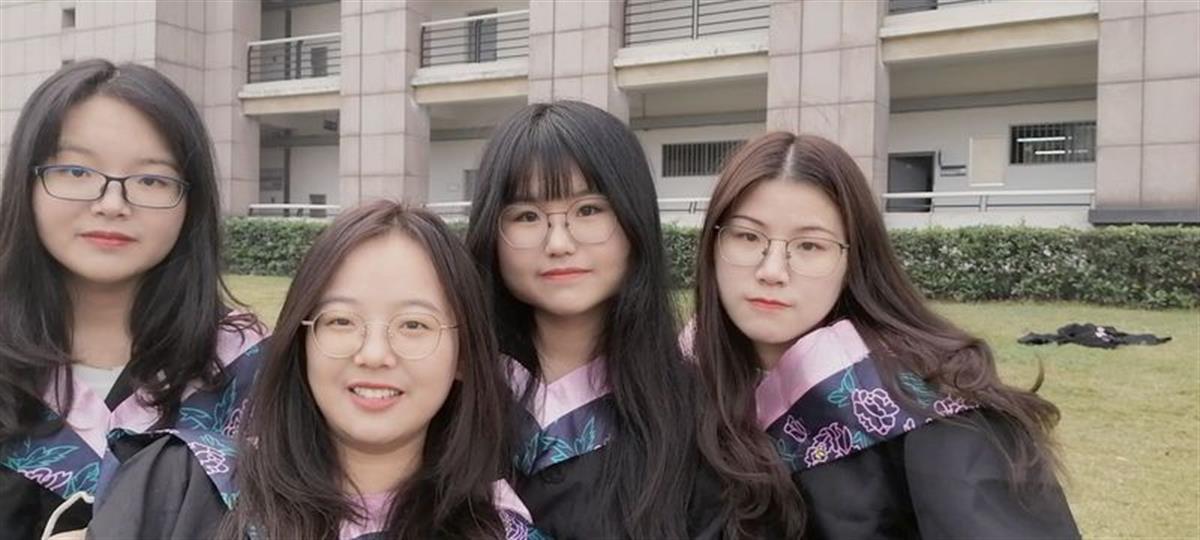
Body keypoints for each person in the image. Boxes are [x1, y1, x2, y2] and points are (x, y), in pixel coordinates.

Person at [688, 132, 1081, 538]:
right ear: (712, 245)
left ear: (854, 260)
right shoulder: (678, 386)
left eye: (810, 246)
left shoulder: (933, 406)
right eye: (747, 236)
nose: (772, 271)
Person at [0, 59, 264, 539]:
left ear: (191, 203)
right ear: (27, 183)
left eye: (152, 180)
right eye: (75, 170)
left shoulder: (255, 375)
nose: (111, 203)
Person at [466, 101, 721, 539]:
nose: (559, 243)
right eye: (527, 216)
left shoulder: (700, 415)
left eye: (588, 210)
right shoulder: (452, 398)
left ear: (633, 219)